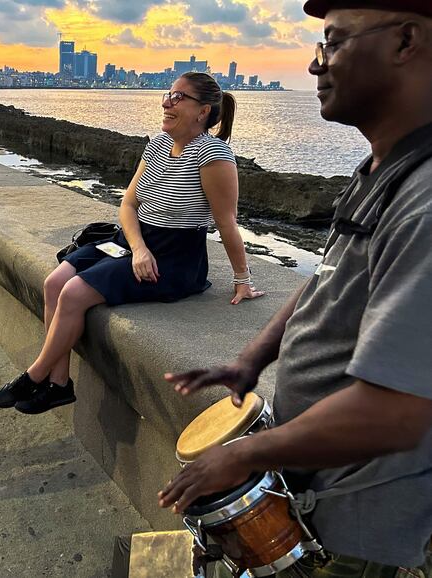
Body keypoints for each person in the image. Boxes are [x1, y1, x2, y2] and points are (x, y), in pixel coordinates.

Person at [158, 1, 432, 575]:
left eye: (332, 43)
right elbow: (328, 283)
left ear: (407, 41)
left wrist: (244, 452)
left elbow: (397, 412)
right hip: (312, 478)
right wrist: (250, 360)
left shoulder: (425, 201)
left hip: (359, 512)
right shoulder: (381, 168)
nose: (316, 65)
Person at [0, 72, 264, 415]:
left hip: (173, 258)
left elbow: (226, 222)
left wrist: (243, 280)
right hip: (132, 243)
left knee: (74, 293)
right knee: (54, 283)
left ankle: (35, 374)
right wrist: (137, 247)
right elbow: (128, 204)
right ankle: (59, 384)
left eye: (178, 98)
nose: (167, 102)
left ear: (203, 111)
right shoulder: (157, 146)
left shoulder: (214, 156)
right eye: (168, 94)